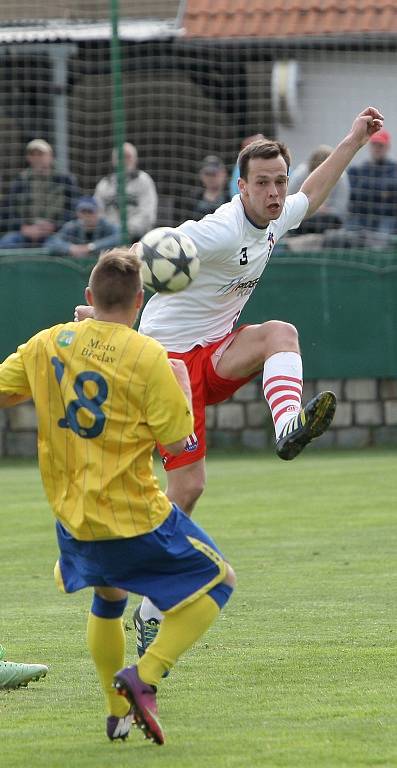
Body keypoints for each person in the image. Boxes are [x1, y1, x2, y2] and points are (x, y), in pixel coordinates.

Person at [76, 107, 384, 654]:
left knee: (279, 334)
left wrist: (354, 139)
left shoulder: (277, 214)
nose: (273, 191)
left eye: (278, 181)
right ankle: (149, 606)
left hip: (213, 354)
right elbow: (149, 255)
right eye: (261, 183)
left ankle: (288, 425)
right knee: (188, 489)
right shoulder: (217, 230)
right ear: (241, 188)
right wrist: (100, 310)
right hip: (165, 365)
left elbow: (313, 192)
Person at [0, 247, 235, 745]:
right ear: (140, 301)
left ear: (89, 297)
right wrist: (181, 389)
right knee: (218, 582)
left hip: (73, 519)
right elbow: (178, 442)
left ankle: (116, 714)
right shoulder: (150, 357)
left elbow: (5, 389)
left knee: (109, 597)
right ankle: (142, 676)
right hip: (135, 515)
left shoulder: (47, 344)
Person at [0, 139, 80, 248]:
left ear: (50, 156)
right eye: (33, 155)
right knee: (6, 243)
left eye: (41, 154)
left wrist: (55, 226)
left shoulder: (66, 180)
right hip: (25, 232)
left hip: (56, 233)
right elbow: (7, 211)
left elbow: (74, 211)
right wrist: (23, 228)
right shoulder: (20, 181)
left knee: (57, 246)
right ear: (28, 158)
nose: (37, 158)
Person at [94, 142, 158, 241]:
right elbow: (97, 213)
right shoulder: (104, 184)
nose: (123, 160)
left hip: (137, 238)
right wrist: (111, 229)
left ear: (135, 160)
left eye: (127, 156)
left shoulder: (144, 180)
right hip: (108, 237)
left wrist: (126, 230)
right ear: (113, 161)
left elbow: (147, 215)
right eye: (120, 157)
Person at [287, 144, 350, 234]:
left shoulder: (341, 177)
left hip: (328, 220)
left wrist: (326, 210)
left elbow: (340, 209)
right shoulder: (300, 175)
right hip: (302, 219)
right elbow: (288, 202)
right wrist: (309, 208)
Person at [347, 128, 397, 235]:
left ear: (387, 147)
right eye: (374, 145)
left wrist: (366, 187)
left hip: (386, 217)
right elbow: (354, 194)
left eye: (381, 145)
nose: (377, 148)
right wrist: (383, 192)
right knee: (348, 238)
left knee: (381, 242)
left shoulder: (394, 169)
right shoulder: (359, 170)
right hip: (361, 216)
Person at [47, 196, 120, 259]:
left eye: (90, 211)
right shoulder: (72, 227)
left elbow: (120, 237)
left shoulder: (105, 225)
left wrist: (91, 247)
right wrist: (71, 248)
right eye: (83, 212)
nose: (87, 215)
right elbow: (52, 242)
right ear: (77, 213)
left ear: (97, 212)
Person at [189, 155, 229, 220]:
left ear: (224, 174)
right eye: (207, 173)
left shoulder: (230, 199)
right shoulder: (192, 199)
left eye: (214, 174)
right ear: (201, 175)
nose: (210, 178)